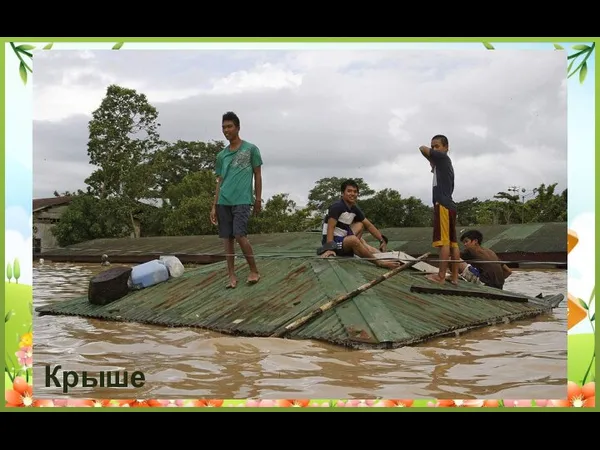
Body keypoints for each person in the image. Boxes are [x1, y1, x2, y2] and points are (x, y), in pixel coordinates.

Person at [210, 111, 263, 288]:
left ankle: (254, 270)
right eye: (224, 127)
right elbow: (220, 181)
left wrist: (258, 200)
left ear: (238, 127)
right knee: (227, 239)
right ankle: (231, 276)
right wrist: (213, 206)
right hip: (223, 201)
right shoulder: (221, 156)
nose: (226, 130)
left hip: (242, 200)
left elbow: (258, 175)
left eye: (230, 126)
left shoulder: (251, 149)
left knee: (240, 235)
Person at [318, 179, 401, 270]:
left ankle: (384, 255)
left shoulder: (354, 208)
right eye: (349, 191)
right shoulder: (337, 206)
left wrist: (382, 240)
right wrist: (330, 249)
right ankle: (379, 262)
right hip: (333, 243)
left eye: (355, 192)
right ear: (342, 193)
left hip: (343, 238)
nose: (352, 194)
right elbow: (331, 227)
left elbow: (368, 225)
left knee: (360, 226)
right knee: (354, 240)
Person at [419, 134, 460, 285]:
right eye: (433, 146)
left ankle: (441, 276)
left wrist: (431, 156)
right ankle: (454, 277)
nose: (434, 149)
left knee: (444, 243)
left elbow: (422, 149)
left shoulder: (442, 159)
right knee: (453, 243)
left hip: (442, 205)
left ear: (446, 147)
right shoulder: (443, 165)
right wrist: (433, 163)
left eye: (437, 146)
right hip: (449, 205)